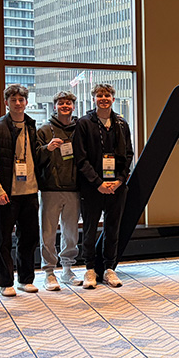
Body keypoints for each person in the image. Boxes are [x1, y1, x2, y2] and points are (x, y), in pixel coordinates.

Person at [74, 83, 134, 289]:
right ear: (94, 99)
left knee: (112, 228)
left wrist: (119, 180)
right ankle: (90, 269)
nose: (103, 99)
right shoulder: (84, 123)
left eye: (107, 95)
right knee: (90, 229)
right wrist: (97, 182)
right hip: (92, 187)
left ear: (113, 99)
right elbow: (80, 158)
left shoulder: (121, 124)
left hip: (116, 186)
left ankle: (109, 268)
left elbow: (128, 155)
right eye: (99, 95)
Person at [0, 84, 40, 297]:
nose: (17, 103)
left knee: (29, 238)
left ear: (26, 102)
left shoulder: (31, 126)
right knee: (3, 240)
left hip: (30, 191)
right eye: (13, 99)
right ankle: (5, 282)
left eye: (21, 100)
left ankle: (26, 279)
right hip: (6, 193)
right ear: (6, 102)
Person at [35, 91, 82, 290]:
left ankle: (67, 270)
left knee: (71, 232)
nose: (65, 106)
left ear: (73, 106)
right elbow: (35, 158)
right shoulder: (44, 130)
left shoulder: (80, 129)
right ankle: (49, 272)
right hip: (50, 188)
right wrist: (48, 148)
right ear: (54, 106)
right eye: (61, 103)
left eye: (68, 103)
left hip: (74, 188)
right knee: (48, 232)